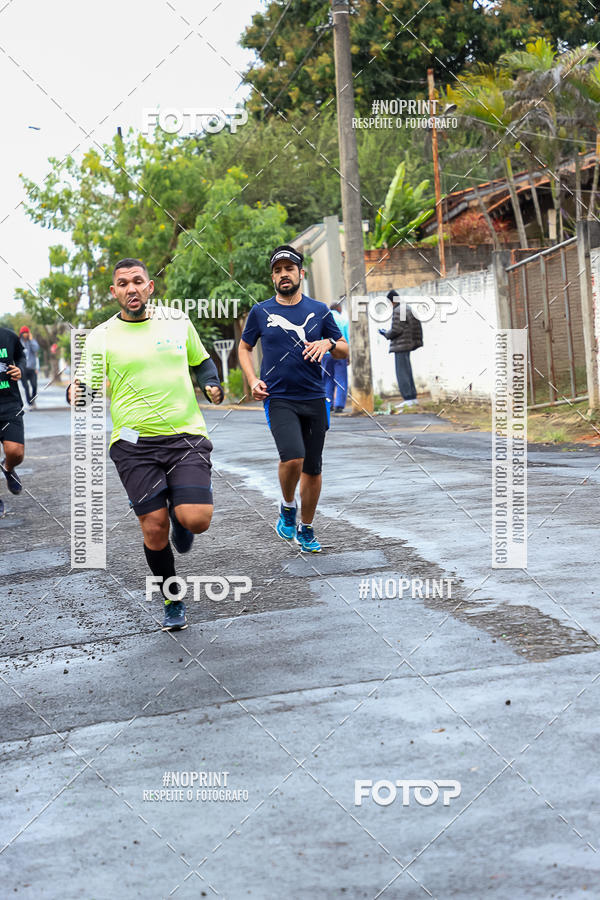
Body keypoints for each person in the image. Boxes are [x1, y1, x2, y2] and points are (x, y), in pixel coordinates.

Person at [68, 258, 224, 631]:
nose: (131, 288)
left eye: (137, 281)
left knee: (196, 519)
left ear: (149, 287)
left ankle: (181, 517)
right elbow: (88, 383)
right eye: (123, 284)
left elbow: (202, 362)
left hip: (185, 435)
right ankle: (172, 598)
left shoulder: (177, 321)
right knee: (153, 527)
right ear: (114, 292)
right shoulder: (101, 336)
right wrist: (78, 391)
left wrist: (211, 384)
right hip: (133, 443)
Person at [238, 244, 349, 553]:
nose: (283, 274)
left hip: (314, 396)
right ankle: (288, 506)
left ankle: (307, 528)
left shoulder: (320, 310)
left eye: (289, 269)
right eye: (277, 270)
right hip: (278, 397)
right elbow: (244, 348)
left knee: (313, 467)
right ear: (272, 277)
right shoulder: (261, 312)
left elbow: (344, 348)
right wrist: (252, 380)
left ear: (301, 273)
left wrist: (328, 344)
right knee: (293, 457)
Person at [379, 289, 423, 409]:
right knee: (407, 371)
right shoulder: (407, 308)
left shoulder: (398, 310)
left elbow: (396, 329)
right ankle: (412, 398)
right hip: (408, 344)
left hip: (401, 345)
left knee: (402, 373)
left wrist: (385, 333)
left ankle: (408, 398)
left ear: (392, 301)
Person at [0, 325, 26, 517]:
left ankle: (7, 467)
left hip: (9, 404)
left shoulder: (8, 336)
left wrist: (20, 369)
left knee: (15, 452)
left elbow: (21, 357)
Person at [323, 299, 350, 413]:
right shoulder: (343, 320)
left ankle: (328, 404)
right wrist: (347, 355)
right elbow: (346, 339)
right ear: (339, 308)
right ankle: (339, 405)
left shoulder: (324, 319)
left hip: (325, 353)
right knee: (341, 379)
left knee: (327, 379)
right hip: (339, 352)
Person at [19, 326, 40, 408]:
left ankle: (32, 400)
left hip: (32, 368)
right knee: (26, 387)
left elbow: (36, 349)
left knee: (34, 386)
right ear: (21, 334)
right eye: (23, 333)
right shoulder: (18, 342)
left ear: (28, 334)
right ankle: (30, 403)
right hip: (23, 369)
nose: (25, 334)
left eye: (26, 333)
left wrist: (31, 340)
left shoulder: (32, 342)